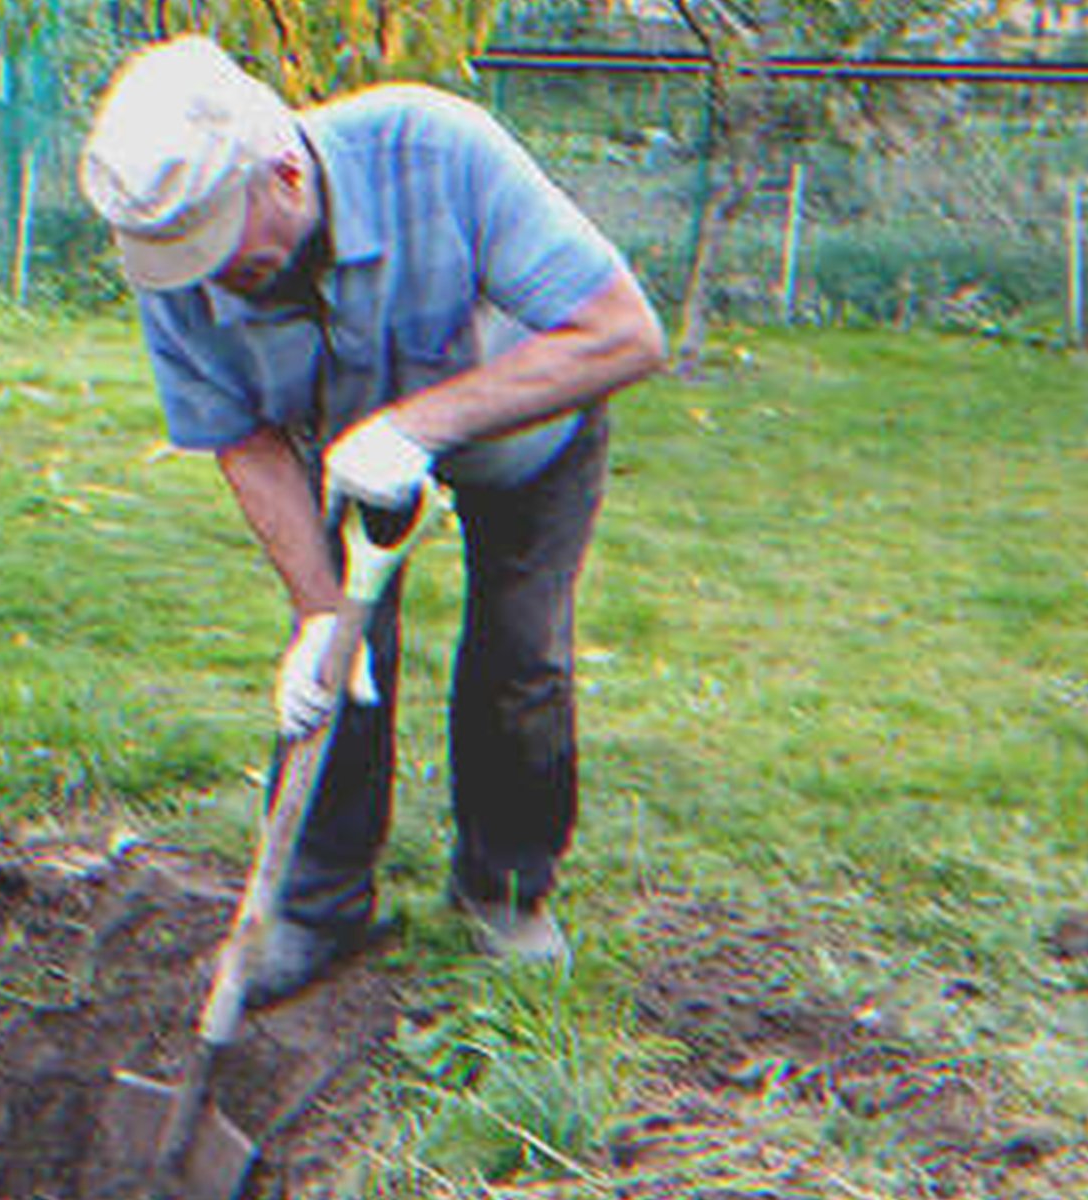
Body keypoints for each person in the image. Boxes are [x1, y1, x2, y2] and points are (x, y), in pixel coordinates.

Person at [79, 35, 666, 1005]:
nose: (208, 282)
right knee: (343, 672)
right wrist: (316, 614)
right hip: (347, 453)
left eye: (218, 250)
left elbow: (621, 332)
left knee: (523, 659)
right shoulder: (180, 265)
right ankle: (315, 909)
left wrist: (418, 425)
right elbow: (243, 436)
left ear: (281, 172)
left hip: (528, 433)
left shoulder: (435, 150)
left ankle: (503, 893)